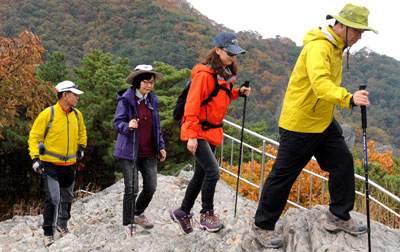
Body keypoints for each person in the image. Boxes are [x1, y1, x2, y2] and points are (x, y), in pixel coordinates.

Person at [252, 3, 377, 248]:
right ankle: (262, 225)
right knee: (284, 175)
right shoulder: (319, 47)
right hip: (300, 122)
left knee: (342, 162)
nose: (360, 37)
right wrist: (348, 98)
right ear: (342, 25)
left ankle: (338, 215)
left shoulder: (336, 47)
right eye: (359, 31)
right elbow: (320, 84)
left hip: (321, 120)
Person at [170, 31, 251, 235]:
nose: (233, 57)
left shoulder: (222, 74)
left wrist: (237, 93)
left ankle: (183, 212)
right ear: (217, 50)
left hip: (212, 131)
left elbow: (218, 97)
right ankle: (207, 215)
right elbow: (192, 104)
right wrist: (191, 135)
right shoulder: (205, 75)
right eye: (229, 53)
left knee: (201, 173)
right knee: (213, 172)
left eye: (235, 54)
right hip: (199, 130)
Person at [28, 80, 87, 247]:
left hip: (70, 165)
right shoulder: (48, 114)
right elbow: (34, 137)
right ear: (65, 95)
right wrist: (35, 158)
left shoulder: (77, 115)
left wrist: (82, 146)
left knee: (67, 197)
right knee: (53, 198)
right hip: (51, 165)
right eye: (74, 95)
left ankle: (62, 224)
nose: (77, 98)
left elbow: (82, 132)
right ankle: (48, 232)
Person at [113, 64, 166, 237]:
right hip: (129, 152)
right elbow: (117, 123)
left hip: (149, 151)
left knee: (151, 186)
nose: (149, 86)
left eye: (151, 82)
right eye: (145, 82)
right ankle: (127, 223)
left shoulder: (153, 99)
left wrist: (161, 146)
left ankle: (137, 213)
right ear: (137, 82)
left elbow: (156, 126)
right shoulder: (126, 99)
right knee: (131, 189)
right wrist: (128, 125)